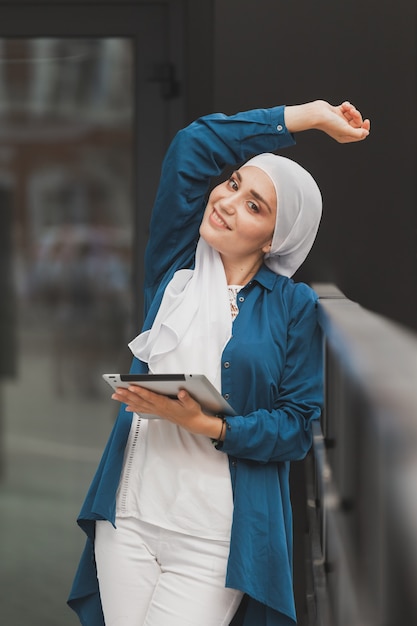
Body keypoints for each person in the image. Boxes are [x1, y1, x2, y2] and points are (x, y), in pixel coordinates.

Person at [68, 99, 370, 626]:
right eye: (232, 184)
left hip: (214, 538)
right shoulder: (176, 269)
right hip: (130, 517)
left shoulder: (291, 305)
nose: (228, 203)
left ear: (276, 239)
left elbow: (296, 427)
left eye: (255, 206)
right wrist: (310, 116)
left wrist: (207, 425)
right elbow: (193, 145)